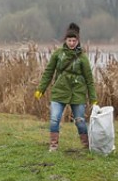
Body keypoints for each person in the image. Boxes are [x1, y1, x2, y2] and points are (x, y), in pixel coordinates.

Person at [34, 23, 97, 152]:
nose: (72, 43)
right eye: (69, 40)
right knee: (54, 119)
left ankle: (86, 146)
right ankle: (53, 145)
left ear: (78, 41)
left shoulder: (82, 58)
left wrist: (93, 98)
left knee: (80, 121)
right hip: (59, 90)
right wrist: (41, 89)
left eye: (74, 40)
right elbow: (48, 72)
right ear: (65, 40)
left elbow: (89, 80)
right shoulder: (58, 54)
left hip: (77, 92)